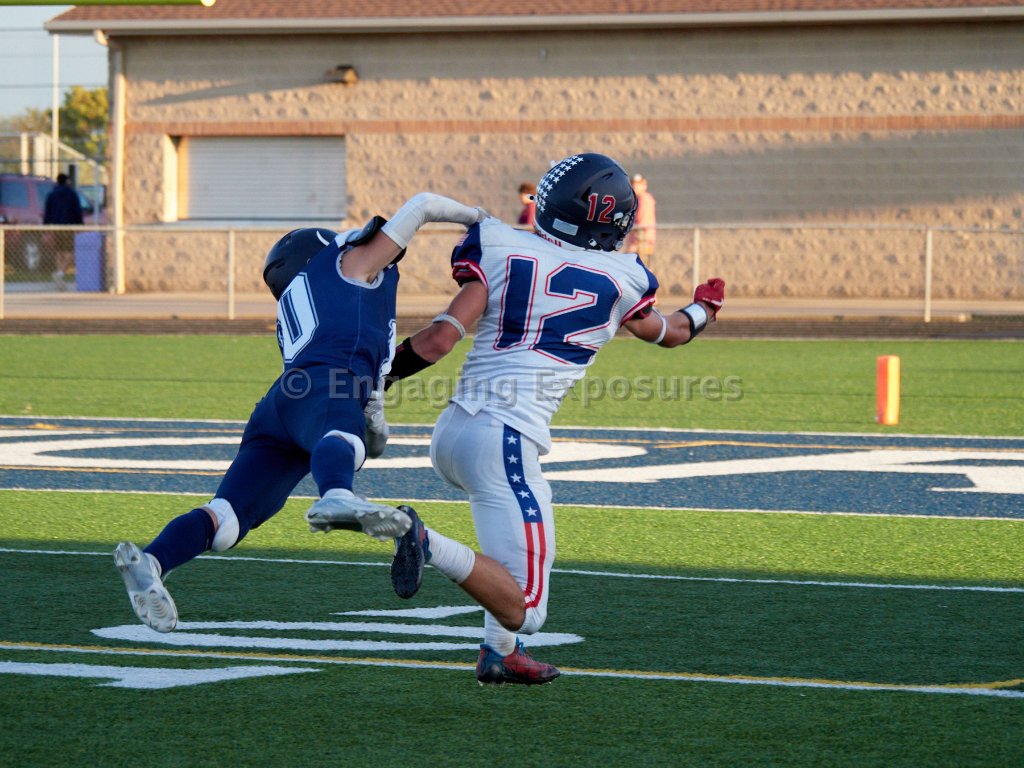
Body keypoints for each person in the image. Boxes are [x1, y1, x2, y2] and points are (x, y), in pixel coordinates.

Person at [383, 153, 725, 685]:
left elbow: (439, 340)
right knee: (527, 607)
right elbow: (671, 332)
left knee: (507, 560)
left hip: (454, 432)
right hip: (505, 440)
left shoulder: (500, 244)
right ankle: (424, 541)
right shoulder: (624, 277)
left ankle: (499, 654)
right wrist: (705, 308)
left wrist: (376, 379)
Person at [113, 192, 486, 633]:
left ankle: (154, 561)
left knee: (227, 518)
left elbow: (396, 385)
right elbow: (421, 205)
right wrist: (479, 219)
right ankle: (337, 495)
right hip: (325, 387)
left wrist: (372, 414)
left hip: (282, 406)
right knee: (341, 438)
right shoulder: (343, 266)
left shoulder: (307, 300)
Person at [43, 173, 83, 290]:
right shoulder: (72, 194)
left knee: (59, 251)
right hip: (68, 226)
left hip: (56, 226)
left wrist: (46, 228)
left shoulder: (51, 195)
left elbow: (47, 212)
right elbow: (77, 211)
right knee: (70, 251)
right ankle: (60, 273)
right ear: (67, 181)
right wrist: (79, 225)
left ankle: (59, 275)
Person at [623, 172, 656, 261]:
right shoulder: (637, 199)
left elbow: (641, 223)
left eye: (638, 184)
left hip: (642, 243)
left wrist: (633, 246)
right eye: (633, 184)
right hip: (636, 241)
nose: (635, 186)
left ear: (644, 185)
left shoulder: (645, 199)